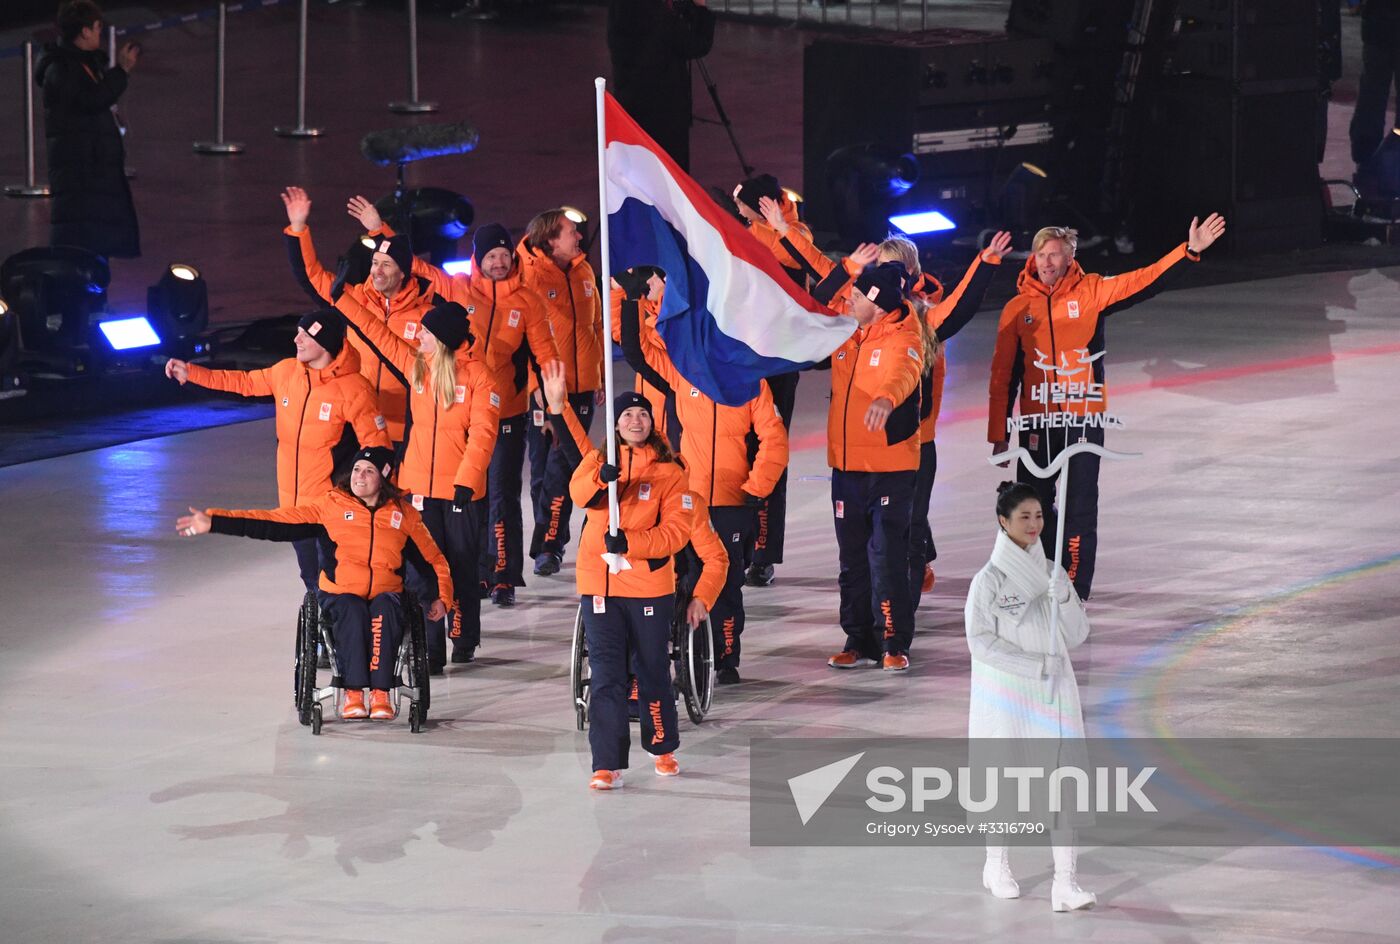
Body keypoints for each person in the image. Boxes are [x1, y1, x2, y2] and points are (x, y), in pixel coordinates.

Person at [988, 215, 1224, 600]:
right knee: (1030, 504)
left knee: (1080, 504)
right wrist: (998, 433)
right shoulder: (1017, 307)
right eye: (1042, 256)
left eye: (1055, 256)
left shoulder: (1092, 292)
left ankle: (1075, 589)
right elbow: (1002, 377)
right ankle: (1035, 578)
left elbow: (1144, 279)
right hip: (1037, 421)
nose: (1047, 263)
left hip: (1083, 417)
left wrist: (1189, 251)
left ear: (1069, 259)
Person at [349, 204, 563, 608]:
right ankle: (473, 574)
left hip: (508, 412)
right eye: (490, 256)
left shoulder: (528, 301)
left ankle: (502, 573)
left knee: (501, 492)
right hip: (456, 412)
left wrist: (549, 402)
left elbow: (544, 354)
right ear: (478, 260)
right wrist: (381, 231)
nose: (498, 262)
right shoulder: (459, 288)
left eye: (504, 255)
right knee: (467, 496)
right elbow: (413, 265)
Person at [176, 447, 454, 721]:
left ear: (383, 478)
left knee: (386, 608)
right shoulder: (330, 507)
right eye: (357, 469)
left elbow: (433, 560)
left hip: (385, 593)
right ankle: (354, 692)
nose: (360, 476)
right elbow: (272, 521)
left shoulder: (403, 516)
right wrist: (215, 521)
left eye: (369, 471)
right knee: (352, 609)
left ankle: (381, 693)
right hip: (341, 594)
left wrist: (442, 596)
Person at [613, 268, 788, 684]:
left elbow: (774, 438)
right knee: (682, 579)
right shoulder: (684, 373)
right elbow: (638, 354)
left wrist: (755, 489)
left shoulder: (751, 383)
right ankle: (685, 658)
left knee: (725, 586)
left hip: (732, 499)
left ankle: (725, 659)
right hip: (688, 499)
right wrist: (633, 301)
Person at [164, 308, 390, 593]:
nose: (297, 340)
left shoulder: (355, 390)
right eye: (298, 332)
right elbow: (243, 383)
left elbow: (377, 447)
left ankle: (345, 634)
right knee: (310, 578)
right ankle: (322, 635)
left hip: (332, 508)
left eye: (305, 335)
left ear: (325, 344)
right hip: (293, 507)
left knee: (337, 582)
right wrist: (194, 374)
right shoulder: (286, 372)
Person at [333, 296, 499, 671]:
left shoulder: (479, 377)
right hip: (418, 489)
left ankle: (464, 636)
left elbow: (484, 435)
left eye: (425, 332)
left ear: (442, 338)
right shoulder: (419, 366)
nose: (417, 336)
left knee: (460, 566)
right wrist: (342, 298)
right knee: (426, 570)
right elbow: (377, 333)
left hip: (461, 493)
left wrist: (467, 483)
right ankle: (432, 651)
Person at [964, 481, 1094, 912]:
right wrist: (1032, 665)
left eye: (1039, 516)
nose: (1034, 524)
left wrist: (1067, 599)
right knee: (1005, 777)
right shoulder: (986, 582)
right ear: (1004, 521)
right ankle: (996, 865)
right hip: (1007, 695)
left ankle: (1065, 883)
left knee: (1064, 780)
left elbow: (1076, 636)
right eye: (1025, 517)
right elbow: (980, 643)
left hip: (1056, 691)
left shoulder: (1052, 573)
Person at [877, 232, 1011, 609]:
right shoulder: (868, 315)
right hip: (874, 444)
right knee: (891, 522)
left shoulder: (925, 315)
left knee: (911, 521)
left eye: (894, 268)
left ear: (911, 272)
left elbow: (962, 305)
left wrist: (985, 263)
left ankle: (904, 608)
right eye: (881, 267)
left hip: (919, 438)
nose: (887, 276)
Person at [568, 390, 692, 790]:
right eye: (627, 415)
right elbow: (578, 494)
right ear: (615, 423)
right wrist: (600, 477)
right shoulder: (598, 462)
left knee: (652, 669)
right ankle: (605, 763)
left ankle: (662, 747)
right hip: (600, 584)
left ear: (652, 422)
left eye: (642, 414)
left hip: (647, 587)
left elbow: (676, 532)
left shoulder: (671, 472)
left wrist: (631, 545)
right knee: (605, 674)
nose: (636, 421)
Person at [820, 261, 924, 672]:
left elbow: (904, 371)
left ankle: (894, 642)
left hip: (889, 468)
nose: (850, 298)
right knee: (852, 560)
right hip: (846, 468)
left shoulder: (905, 337)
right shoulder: (847, 327)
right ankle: (857, 639)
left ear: (878, 306)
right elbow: (812, 303)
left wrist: (886, 398)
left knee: (885, 555)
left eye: (859, 296)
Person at [734, 178, 838, 588]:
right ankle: (735, 545)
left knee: (769, 454)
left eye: (745, 205)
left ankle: (762, 552)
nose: (739, 212)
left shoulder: (793, 235)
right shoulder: (746, 230)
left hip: (778, 363)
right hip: (743, 360)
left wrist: (771, 226)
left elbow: (794, 256)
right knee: (737, 454)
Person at [285, 188, 433, 442]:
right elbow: (313, 276)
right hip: (357, 424)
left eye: (386, 264)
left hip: (404, 432)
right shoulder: (354, 299)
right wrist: (298, 229)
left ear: (403, 273)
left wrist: (379, 228)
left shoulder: (426, 316)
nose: (377, 271)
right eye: (375, 263)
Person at [516, 209, 604, 578]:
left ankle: (549, 545)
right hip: (548, 392)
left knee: (565, 465)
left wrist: (597, 377)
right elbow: (523, 338)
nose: (579, 237)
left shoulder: (584, 271)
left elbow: (595, 326)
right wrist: (537, 386)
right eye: (571, 232)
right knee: (547, 469)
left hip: (582, 390)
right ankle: (548, 543)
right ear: (551, 239)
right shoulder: (530, 276)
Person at [36, 0, 142, 258]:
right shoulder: (62, 69)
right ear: (84, 31)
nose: (99, 34)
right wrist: (123, 71)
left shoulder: (82, 64)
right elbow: (92, 100)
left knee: (94, 245)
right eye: (97, 28)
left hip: (91, 171)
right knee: (78, 248)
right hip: (79, 172)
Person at [607, 0, 715, 172]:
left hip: (631, 98)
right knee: (670, 170)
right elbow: (694, 44)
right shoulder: (654, 10)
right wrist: (701, 9)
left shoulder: (621, 6)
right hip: (664, 106)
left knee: (640, 168)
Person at [1350, 0, 1400, 166]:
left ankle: (1365, 154)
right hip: (1379, 25)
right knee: (1372, 95)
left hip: (1377, 25)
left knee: (1372, 96)